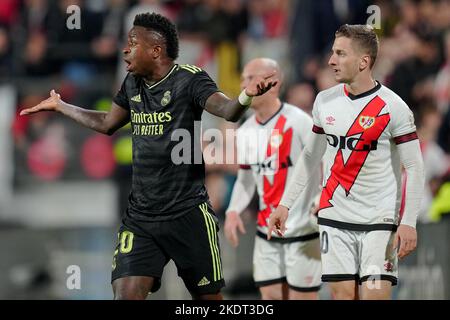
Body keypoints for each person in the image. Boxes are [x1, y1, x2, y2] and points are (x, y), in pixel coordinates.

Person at [20, 12, 277, 300]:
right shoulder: (132, 84)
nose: (124, 49)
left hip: (188, 214)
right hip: (141, 218)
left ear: (156, 51)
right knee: (126, 295)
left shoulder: (190, 79)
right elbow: (107, 123)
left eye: (132, 43)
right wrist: (62, 106)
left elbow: (228, 111)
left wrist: (246, 96)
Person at [268, 24, 425, 300]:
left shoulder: (393, 107)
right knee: (342, 297)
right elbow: (310, 156)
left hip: (379, 220)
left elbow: (414, 166)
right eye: (332, 52)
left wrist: (408, 221)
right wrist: (285, 204)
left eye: (340, 54)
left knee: (375, 297)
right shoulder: (324, 101)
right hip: (334, 218)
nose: (331, 61)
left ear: (364, 61)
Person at [224, 58, 322, 300]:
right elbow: (246, 177)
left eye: (250, 78)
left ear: (274, 83)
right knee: (270, 297)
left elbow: (324, 163)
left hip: (302, 230)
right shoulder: (245, 131)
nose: (243, 85)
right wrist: (233, 210)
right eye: (242, 79)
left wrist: (321, 197)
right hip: (265, 232)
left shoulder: (299, 122)